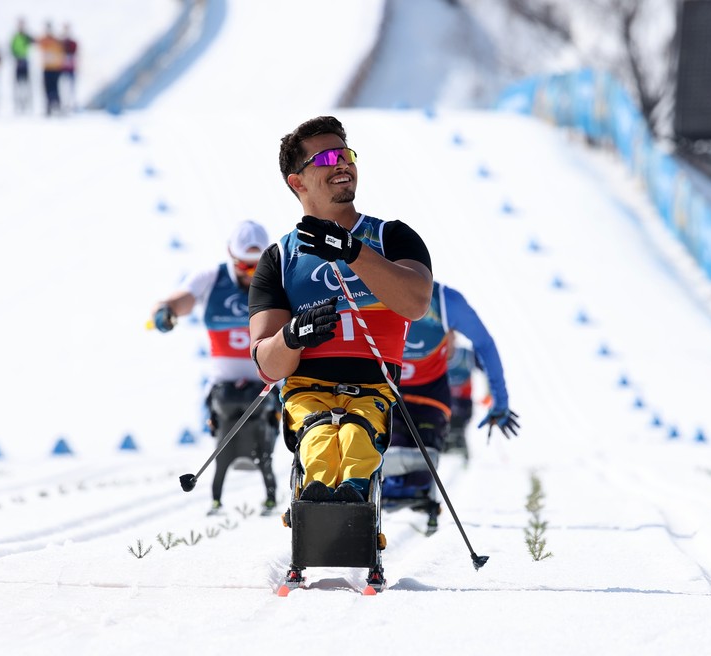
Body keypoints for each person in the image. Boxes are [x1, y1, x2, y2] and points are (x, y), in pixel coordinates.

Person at [248, 115, 433, 504]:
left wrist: (352, 251)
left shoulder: (392, 237)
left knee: (357, 433)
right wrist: (292, 335)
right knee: (316, 433)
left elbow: (415, 302)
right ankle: (317, 502)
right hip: (306, 390)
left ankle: (352, 496)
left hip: (374, 388)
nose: (342, 163)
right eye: (327, 157)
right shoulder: (279, 258)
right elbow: (266, 363)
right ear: (296, 181)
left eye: (345, 153)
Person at [152, 221, 280, 516]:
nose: (251, 274)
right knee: (223, 437)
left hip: (266, 385)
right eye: (243, 266)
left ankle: (278, 495)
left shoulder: (277, 279)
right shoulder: (211, 278)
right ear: (230, 257)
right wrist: (166, 312)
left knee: (266, 444)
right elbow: (180, 299)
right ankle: (217, 498)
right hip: (224, 386)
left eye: (256, 266)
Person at [382, 281, 518, 530]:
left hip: (429, 395)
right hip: (387, 392)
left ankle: (416, 497)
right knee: (386, 459)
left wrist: (500, 400)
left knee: (419, 469)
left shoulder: (445, 301)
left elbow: (484, 344)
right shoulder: (367, 286)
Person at [37, 22, 64, 116]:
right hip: (47, 67)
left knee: (55, 88)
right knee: (47, 88)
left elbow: (61, 52)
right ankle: (49, 106)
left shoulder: (56, 40)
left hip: (55, 68)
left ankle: (57, 106)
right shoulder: (44, 40)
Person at [10, 18, 34, 113]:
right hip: (17, 62)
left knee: (26, 84)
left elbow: (34, 42)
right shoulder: (15, 37)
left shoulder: (26, 36)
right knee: (18, 85)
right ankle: (18, 104)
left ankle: (26, 103)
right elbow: (11, 48)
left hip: (25, 62)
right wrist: (16, 57)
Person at [60, 23, 77, 113]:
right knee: (64, 87)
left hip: (71, 68)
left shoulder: (72, 43)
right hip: (63, 69)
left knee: (71, 88)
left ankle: (71, 104)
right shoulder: (60, 43)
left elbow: (75, 53)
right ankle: (64, 104)